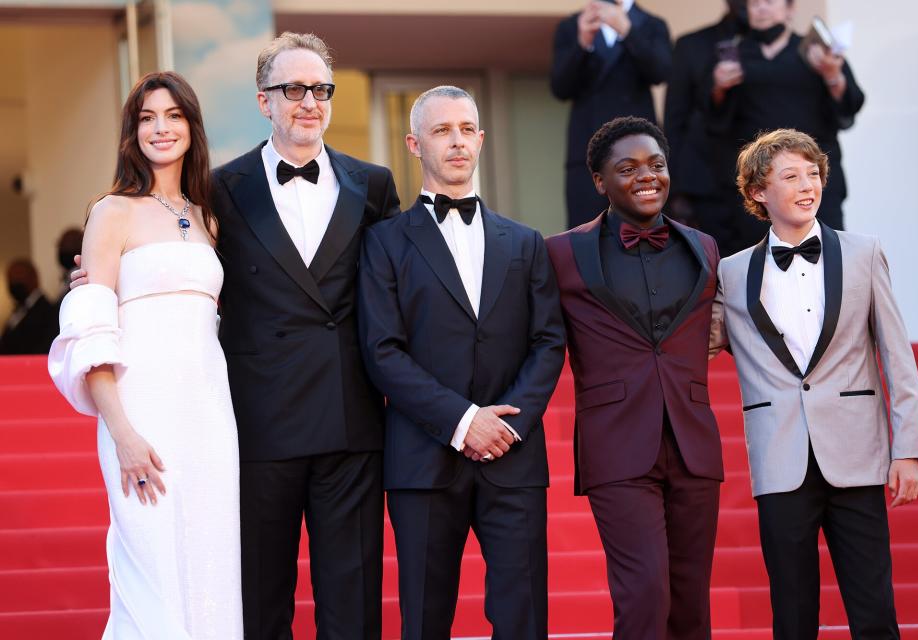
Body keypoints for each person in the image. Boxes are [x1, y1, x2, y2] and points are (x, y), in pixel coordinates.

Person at [356, 86, 566, 640]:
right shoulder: (383, 243)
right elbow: (382, 351)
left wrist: (504, 427)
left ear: (480, 138)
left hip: (513, 457)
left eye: (466, 129)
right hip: (422, 460)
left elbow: (549, 343)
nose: (456, 142)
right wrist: (462, 420)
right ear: (414, 144)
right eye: (441, 130)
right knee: (424, 619)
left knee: (524, 619)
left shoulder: (525, 242)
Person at [211, 32, 400, 639]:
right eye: (293, 89)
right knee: (261, 598)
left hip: (350, 419)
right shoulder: (217, 188)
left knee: (353, 601)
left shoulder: (373, 184)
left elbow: (405, 280)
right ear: (264, 101)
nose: (309, 102)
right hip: (258, 419)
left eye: (321, 89)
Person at [709, 129, 918, 640]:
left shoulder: (863, 253)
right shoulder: (731, 272)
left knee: (873, 608)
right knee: (792, 613)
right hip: (779, 456)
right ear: (759, 192)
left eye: (813, 174)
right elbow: (702, 345)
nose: (807, 185)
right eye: (790, 176)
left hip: (858, 453)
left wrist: (909, 448)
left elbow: (898, 355)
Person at [48, 71, 243, 638]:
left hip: (208, 416)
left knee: (210, 568)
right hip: (141, 414)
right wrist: (123, 432)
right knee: (151, 572)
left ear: (192, 127)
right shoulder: (112, 211)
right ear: (133, 133)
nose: (162, 128)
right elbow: (92, 330)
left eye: (174, 116)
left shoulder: (208, 217)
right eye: (147, 118)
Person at [545, 116, 723, 640]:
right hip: (616, 447)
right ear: (600, 182)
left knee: (690, 604)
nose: (647, 176)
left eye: (657, 165)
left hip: (693, 443)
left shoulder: (705, 248)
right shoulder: (561, 254)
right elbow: (534, 339)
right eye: (628, 168)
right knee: (645, 593)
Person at [706, 0, 864, 253]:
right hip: (760, 181)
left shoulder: (815, 52)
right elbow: (714, 118)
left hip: (813, 177)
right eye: (754, 4)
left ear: (790, 9)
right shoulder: (733, 55)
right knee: (756, 260)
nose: (761, 8)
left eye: (770, 2)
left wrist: (832, 74)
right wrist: (719, 88)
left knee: (828, 256)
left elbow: (849, 107)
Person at [551, 0, 671, 229]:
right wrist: (583, 43)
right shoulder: (571, 26)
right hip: (586, 152)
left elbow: (661, 71)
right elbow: (560, 87)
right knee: (585, 233)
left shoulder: (652, 24)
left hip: (639, 150)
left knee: (643, 228)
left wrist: (627, 31)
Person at [663, 0, 748, 254]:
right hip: (704, 184)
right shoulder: (691, 45)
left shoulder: (774, 48)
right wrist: (675, 191)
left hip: (760, 180)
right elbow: (674, 121)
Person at [1, 258, 58, 355]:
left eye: (19, 276)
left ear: (34, 277)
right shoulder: (18, 311)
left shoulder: (47, 312)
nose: (14, 282)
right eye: (11, 278)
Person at [55, 227, 84, 306]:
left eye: (70, 244)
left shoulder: (82, 277)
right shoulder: (65, 280)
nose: (65, 249)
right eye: (62, 245)